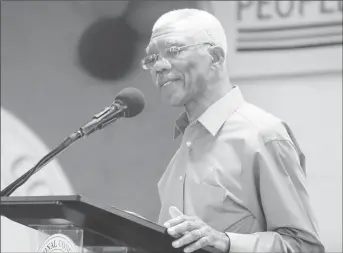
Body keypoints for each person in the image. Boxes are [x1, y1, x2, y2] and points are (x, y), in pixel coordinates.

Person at [141, 8, 325, 253]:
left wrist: (225, 241)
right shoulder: (184, 150)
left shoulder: (263, 135)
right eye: (151, 59)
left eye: (174, 51)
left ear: (215, 57)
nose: (159, 66)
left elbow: (305, 246)